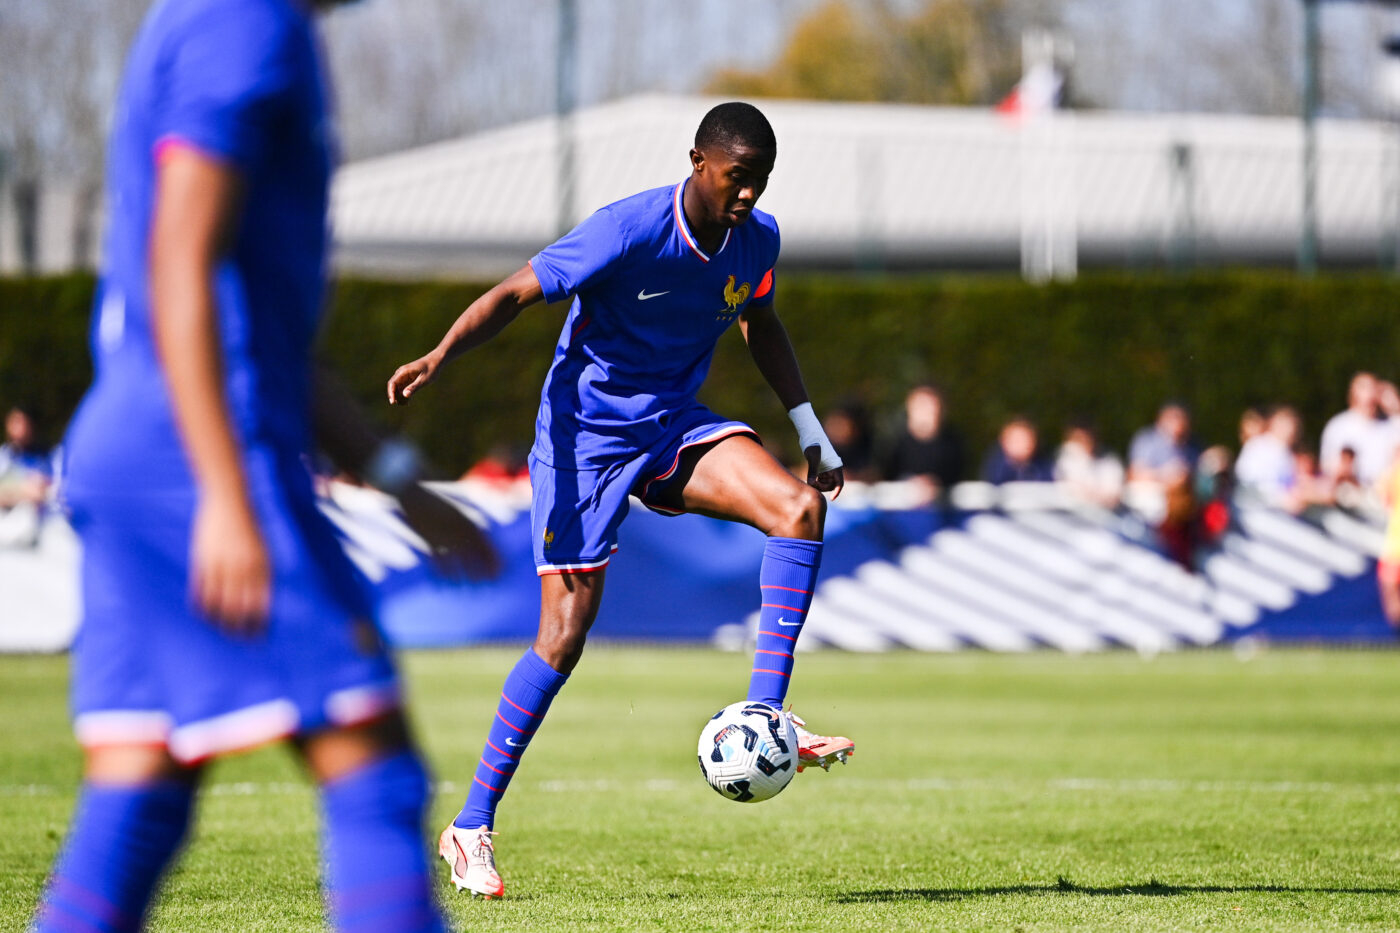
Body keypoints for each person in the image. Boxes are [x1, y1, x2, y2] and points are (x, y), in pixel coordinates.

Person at [31, 2, 495, 931]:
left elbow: (258, 329)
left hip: (136, 447)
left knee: (143, 785)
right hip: (196, 453)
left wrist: (397, 479)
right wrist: (223, 489)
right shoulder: (249, 22)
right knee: (373, 769)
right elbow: (183, 259)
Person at [387, 101, 854, 900]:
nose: (748, 194)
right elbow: (516, 292)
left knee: (799, 509)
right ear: (698, 162)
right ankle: (469, 826)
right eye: (737, 177)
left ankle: (765, 716)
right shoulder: (627, 229)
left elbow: (761, 318)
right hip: (585, 441)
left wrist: (809, 427)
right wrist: (441, 353)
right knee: (562, 637)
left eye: (761, 180)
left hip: (671, 424)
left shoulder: (758, 239)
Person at [880, 383, 965, 499]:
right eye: (921, 406)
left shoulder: (952, 444)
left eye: (931, 407)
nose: (926, 412)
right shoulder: (895, 443)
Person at [1320, 372, 1395, 487]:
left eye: (1374, 388)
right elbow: (1328, 466)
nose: (1370, 393)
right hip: (1351, 491)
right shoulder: (1339, 426)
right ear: (1353, 393)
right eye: (1364, 388)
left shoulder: (1389, 425)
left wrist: (1394, 405)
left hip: (1385, 491)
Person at [1053, 419, 1123, 508]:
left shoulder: (1109, 460)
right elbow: (1069, 490)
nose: (1085, 441)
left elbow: (1114, 495)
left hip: (1106, 513)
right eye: (1079, 438)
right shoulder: (1064, 459)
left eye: (1087, 437)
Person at [981, 416, 1052, 484]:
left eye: (1024, 440)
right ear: (1003, 442)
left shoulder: (1042, 465)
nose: (1020, 445)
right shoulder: (995, 466)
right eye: (1016, 440)